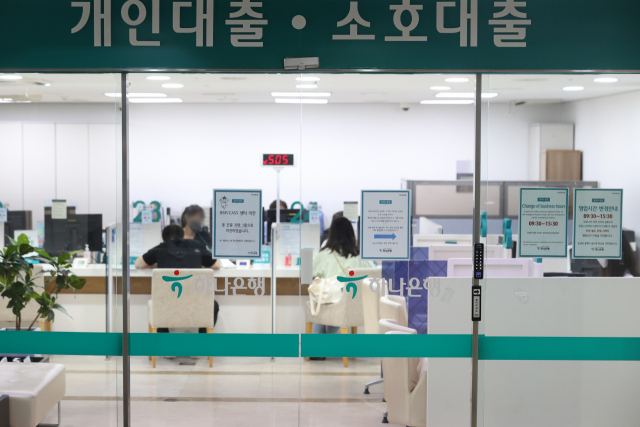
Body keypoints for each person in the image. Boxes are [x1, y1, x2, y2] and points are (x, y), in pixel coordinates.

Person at [135, 224, 221, 330]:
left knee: (159, 304)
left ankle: (162, 338)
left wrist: (155, 264)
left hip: (167, 305)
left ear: (163, 239)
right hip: (195, 303)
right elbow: (217, 265)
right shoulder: (196, 246)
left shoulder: (160, 249)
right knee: (212, 305)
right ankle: (202, 338)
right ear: (183, 236)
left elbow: (138, 264)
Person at [311, 216, 373, 335]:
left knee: (319, 304)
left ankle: (319, 342)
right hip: (352, 303)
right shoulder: (359, 254)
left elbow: (311, 272)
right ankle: (329, 338)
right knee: (339, 308)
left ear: (331, 234)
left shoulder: (324, 254)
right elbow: (372, 272)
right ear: (351, 233)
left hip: (329, 299)